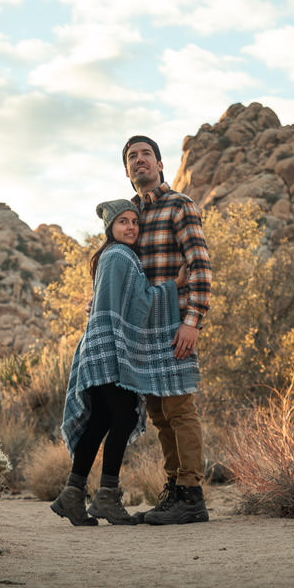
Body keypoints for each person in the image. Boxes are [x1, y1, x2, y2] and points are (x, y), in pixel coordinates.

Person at [52, 199, 200, 526]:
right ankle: (106, 496)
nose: (131, 226)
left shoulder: (114, 257)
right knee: (123, 416)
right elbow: (136, 307)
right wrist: (174, 286)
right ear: (111, 229)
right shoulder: (119, 256)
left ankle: (72, 495)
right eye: (123, 222)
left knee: (101, 420)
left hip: (102, 346)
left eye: (135, 221)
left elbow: (120, 302)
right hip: (111, 350)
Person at [122, 135, 212, 525]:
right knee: (159, 413)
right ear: (127, 171)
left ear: (160, 165)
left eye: (146, 155)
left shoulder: (181, 205)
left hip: (176, 325)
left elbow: (200, 266)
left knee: (180, 408)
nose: (139, 160)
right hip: (145, 329)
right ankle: (174, 491)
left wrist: (192, 321)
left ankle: (192, 495)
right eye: (132, 157)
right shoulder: (131, 218)